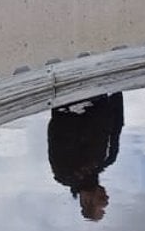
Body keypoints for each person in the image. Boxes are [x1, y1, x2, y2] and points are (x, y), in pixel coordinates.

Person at [47, 92, 124, 221]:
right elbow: (117, 123)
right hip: (101, 96)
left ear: (86, 201)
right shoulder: (108, 158)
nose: (107, 198)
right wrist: (116, 89)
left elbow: (57, 133)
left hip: (69, 101)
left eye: (101, 200)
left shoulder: (65, 173)